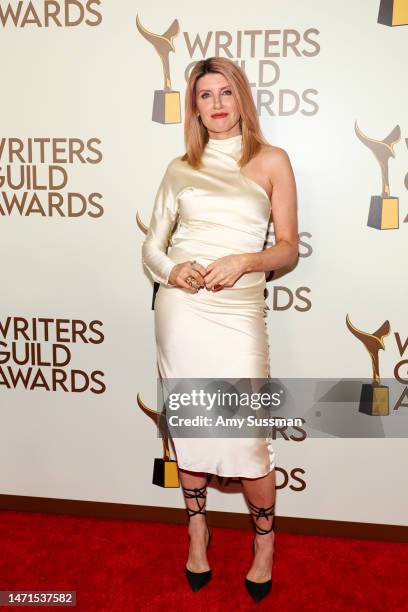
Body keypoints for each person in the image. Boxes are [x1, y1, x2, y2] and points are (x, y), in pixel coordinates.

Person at [142, 56, 298, 603]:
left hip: (237, 312)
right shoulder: (179, 168)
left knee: (249, 441)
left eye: (225, 92)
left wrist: (243, 262)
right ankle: (197, 528)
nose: (216, 105)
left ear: (242, 98)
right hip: (182, 311)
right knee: (191, 429)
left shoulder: (271, 161)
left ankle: (264, 542)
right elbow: (151, 247)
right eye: (205, 96)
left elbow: (287, 248)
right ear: (195, 107)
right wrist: (171, 271)